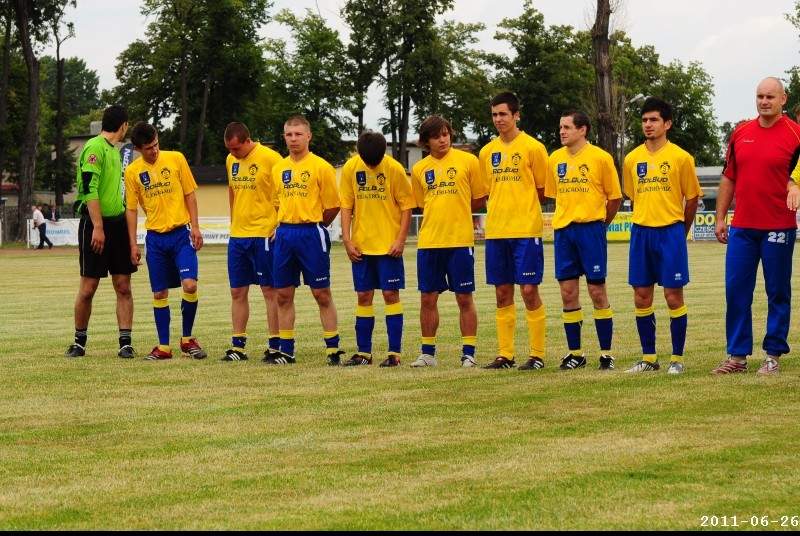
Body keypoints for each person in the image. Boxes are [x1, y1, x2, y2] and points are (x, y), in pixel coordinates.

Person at [712, 77, 800, 376]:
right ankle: (737, 357)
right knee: (736, 290)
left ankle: (773, 355)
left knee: (777, 291)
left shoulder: (795, 134)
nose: (764, 101)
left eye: (770, 97)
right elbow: (729, 176)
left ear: (783, 99)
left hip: (779, 226)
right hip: (742, 227)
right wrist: (721, 217)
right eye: (760, 96)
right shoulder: (741, 132)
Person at [622, 97, 702, 374]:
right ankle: (649, 358)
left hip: (670, 233)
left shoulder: (681, 157)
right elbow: (634, 197)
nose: (648, 124)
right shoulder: (632, 159)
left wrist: (681, 231)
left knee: (673, 296)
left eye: (654, 120)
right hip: (641, 232)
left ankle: (676, 359)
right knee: (641, 296)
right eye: (644, 120)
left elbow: (692, 199)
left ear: (667, 124)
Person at [545, 110, 622, 370]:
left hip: (591, 230)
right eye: (560, 127)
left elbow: (615, 197)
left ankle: (606, 354)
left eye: (567, 127)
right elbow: (555, 195)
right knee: (568, 292)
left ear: (582, 130)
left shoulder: (600, 157)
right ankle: (575, 354)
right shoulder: (555, 158)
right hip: (564, 232)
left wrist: (600, 225)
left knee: (597, 291)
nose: (562, 131)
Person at [477, 92, 549, 370]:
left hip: (525, 230)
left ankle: (537, 355)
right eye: (494, 115)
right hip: (496, 231)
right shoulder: (487, 152)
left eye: (503, 114)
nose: (498, 119)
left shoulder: (533, 148)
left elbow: (542, 190)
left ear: (516, 115)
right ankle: (505, 355)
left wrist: (522, 207)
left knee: (529, 290)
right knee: (502, 292)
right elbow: (487, 191)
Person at [124, 122, 206, 361]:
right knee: (160, 293)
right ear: (137, 149)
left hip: (181, 235)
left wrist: (195, 227)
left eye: (156, 145)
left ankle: (187, 340)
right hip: (156, 240)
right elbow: (131, 209)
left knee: (190, 285)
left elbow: (189, 193)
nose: (154, 150)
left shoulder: (176, 159)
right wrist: (133, 244)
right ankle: (164, 347)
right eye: (148, 148)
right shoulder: (132, 172)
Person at [267, 116, 344, 365]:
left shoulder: (321, 167)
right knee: (282, 295)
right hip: (285, 235)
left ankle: (333, 349)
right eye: (289, 135)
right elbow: (277, 203)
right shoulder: (278, 168)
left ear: (308, 136)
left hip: (312, 233)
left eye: (298, 134)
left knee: (321, 293)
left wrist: (316, 225)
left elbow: (333, 206)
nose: (293, 139)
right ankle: (286, 351)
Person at [409, 115, 486, 368]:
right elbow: (422, 204)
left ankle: (469, 354)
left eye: (445, 134)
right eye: (436, 136)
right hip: (429, 242)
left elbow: (478, 199)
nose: (443, 140)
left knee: (464, 297)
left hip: (460, 241)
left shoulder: (468, 161)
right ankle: (427, 354)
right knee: (427, 298)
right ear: (426, 142)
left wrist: (458, 213)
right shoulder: (419, 169)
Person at [64, 104, 138, 359]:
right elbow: (89, 187)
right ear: (124, 125)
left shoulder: (115, 152)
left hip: (118, 225)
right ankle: (79, 343)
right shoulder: (95, 147)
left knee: (123, 286)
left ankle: (125, 344)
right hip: (95, 225)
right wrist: (97, 226)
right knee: (88, 287)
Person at [339, 131, 415, 367]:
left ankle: (394, 353)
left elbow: (407, 206)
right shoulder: (351, 168)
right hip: (361, 247)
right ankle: (364, 353)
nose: (371, 166)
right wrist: (347, 240)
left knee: (391, 295)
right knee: (363, 296)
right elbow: (346, 205)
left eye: (376, 162)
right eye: (368, 162)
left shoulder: (394, 169)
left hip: (388, 247)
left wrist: (400, 240)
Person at [221, 122, 283, 362]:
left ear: (248, 141)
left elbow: (285, 193)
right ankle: (238, 347)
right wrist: (233, 220)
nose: (232, 153)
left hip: (264, 234)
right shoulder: (231, 160)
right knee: (237, 290)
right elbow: (232, 190)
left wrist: (280, 224)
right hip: (238, 236)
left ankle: (275, 345)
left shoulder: (271, 158)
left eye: (236, 148)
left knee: (269, 290)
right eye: (229, 149)